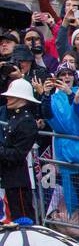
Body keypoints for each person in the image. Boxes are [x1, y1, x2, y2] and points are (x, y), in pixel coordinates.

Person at [0, 78, 39, 221]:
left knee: (23, 219)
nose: (7, 98)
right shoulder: (16, 118)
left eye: (11, 95)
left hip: (18, 180)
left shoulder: (26, 121)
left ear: (21, 98)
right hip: (9, 177)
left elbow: (18, 154)